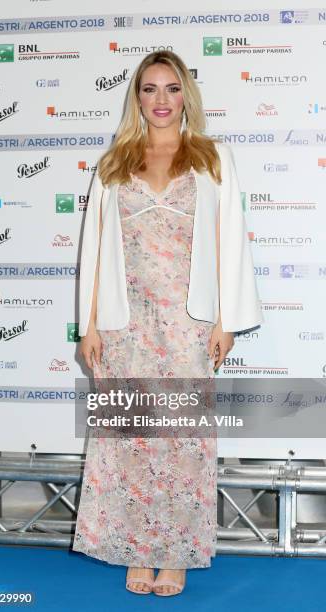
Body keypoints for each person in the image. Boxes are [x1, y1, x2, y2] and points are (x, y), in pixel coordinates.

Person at [72, 50, 264, 596]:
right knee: (128, 439)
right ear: (137, 98)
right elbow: (95, 251)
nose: (161, 100)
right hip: (124, 325)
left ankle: (175, 553)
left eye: (172, 88)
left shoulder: (212, 158)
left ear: (187, 96)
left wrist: (226, 319)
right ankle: (136, 547)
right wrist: (89, 326)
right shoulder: (114, 162)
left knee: (182, 440)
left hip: (187, 322)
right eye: (150, 89)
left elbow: (230, 241)